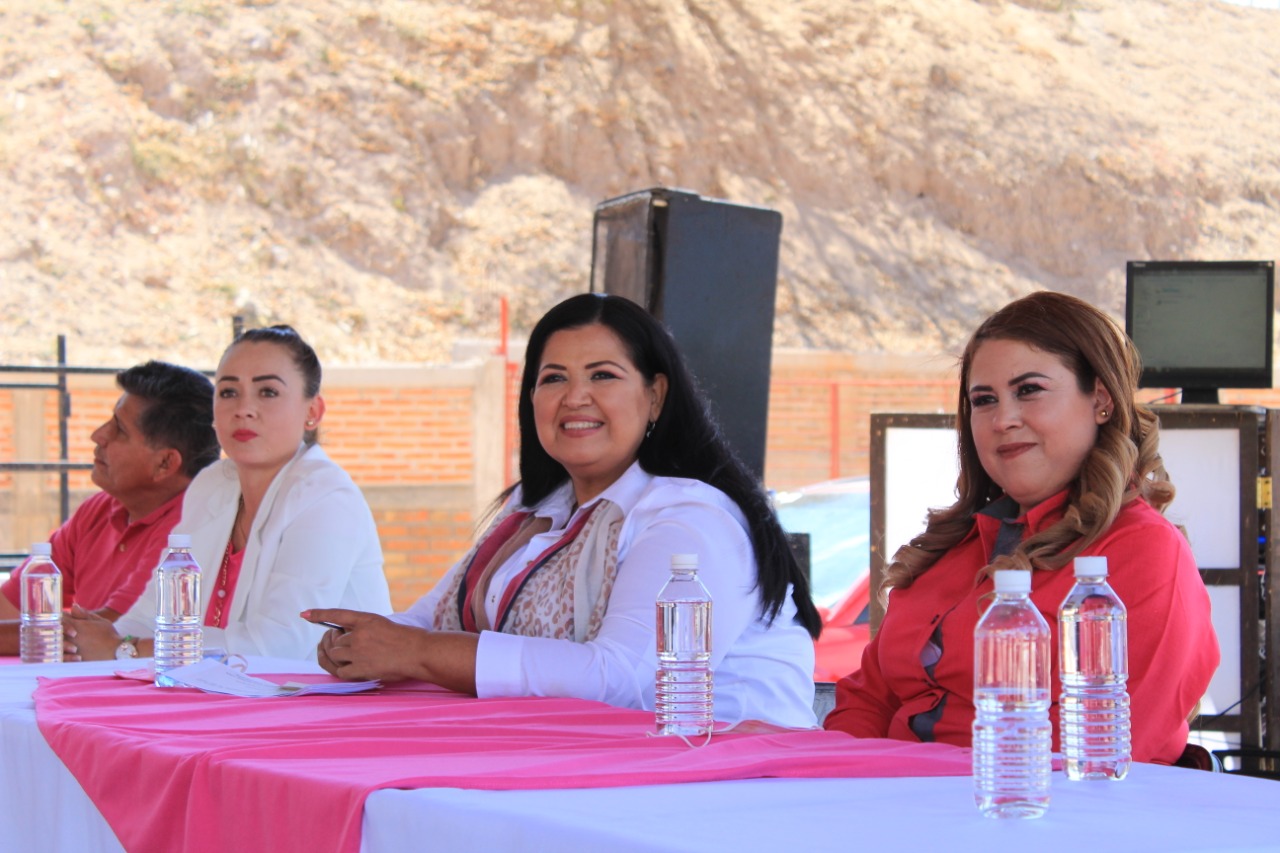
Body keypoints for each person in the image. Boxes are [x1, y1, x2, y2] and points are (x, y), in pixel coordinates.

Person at [305, 293, 822, 728]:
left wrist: (417, 652)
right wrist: (364, 641)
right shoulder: (532, 509)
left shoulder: (690, 518)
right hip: (574, 765)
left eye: (602, 376)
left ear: (655, 396)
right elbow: (429, 620)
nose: (575, 397)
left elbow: (625, 679)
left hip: (722, 778)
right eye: (554, 378)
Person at [823, 290, 1219, 765]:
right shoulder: (953, 546)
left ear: (1101, 400)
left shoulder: (1144, 549)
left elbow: (1105, 749)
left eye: (1028, 390)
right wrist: (845, 780)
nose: (1003, 419)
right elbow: (866, 702)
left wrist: (912, 784)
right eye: (983, 400)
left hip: (1027, 805)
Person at [66, 325, 392, 661]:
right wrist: (89, 638)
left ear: (312, 412)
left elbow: (275, 646)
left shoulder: (327, 499)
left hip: (322, 690)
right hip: (226, 688)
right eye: (228, 392)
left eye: (268, 392)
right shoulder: (213, 485)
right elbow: (154, 615)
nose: (244, 409)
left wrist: (123, 649)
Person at [0, 361, 218, 656]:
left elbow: (103, 635)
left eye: (120, 430)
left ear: (165, 463)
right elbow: (9, 605)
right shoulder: (100, 509)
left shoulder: (188, 528)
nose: (99, 435)